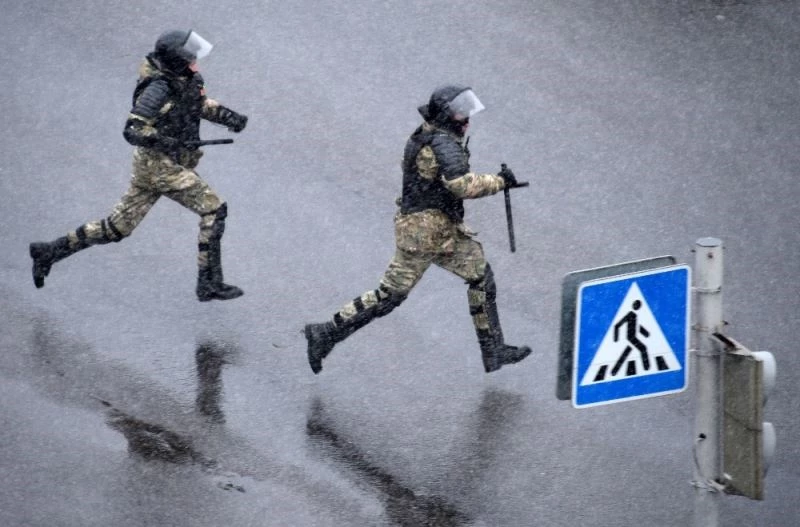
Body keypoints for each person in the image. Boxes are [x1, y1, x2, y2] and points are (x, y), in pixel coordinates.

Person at [304, 85, 532, 374]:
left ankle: (494, 351)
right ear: (447, 117)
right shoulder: (443, 144)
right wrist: (499, 182)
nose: (467, 121)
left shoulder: (425, 135)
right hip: (428, 235)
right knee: (396, 293)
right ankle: (324, 333)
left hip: (429, 230)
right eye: (461, 115)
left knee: (468, 279)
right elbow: (461, 185)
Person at [29, 29, 248, 301]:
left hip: (153, 167)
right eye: (190, 59)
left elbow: (196, 104)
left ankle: (49, 252)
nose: (195, 63)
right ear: (176, 61)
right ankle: (209, 283)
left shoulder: (183, 79)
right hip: (160, 167)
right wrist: (164, 140)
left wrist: (228, 117)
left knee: (116, 228)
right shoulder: (158, 89)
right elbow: (133, 129)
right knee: (214, 210)